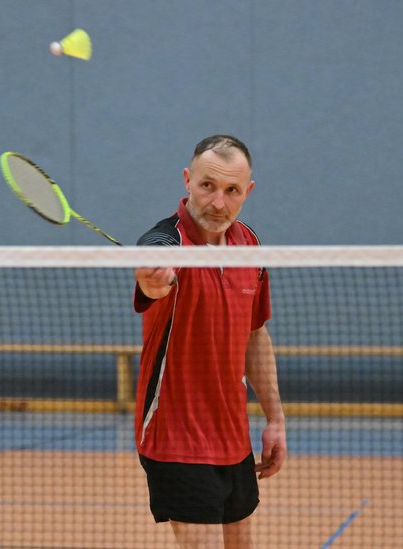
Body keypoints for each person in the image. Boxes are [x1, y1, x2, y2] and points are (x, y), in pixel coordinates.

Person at [133, 135, 287, 549]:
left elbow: (254, 334)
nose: (218, 203)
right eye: (207, 186)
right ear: (187, 180)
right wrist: (153, 277)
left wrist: (275, 418)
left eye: (231, 190)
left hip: (233, 437)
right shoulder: (168, 241)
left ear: (247, 191)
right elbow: (151, 266)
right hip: (175, 439)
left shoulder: (249, 246)